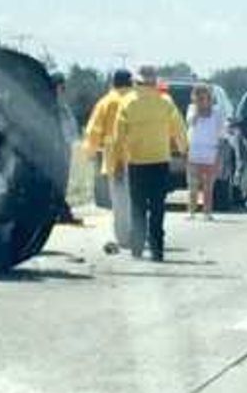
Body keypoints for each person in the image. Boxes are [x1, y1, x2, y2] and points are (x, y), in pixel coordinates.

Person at [109, 65, 188, 261]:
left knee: (137, 207)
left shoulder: (127, 103)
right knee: (157, 207)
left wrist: (117, 161)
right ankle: (157, 249)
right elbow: (179, 129)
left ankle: (137, 247)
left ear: (137, 82)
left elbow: (118, 137)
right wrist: (185, 151)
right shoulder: (165, 102)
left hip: (136, 162)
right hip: (160, 161)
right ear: (155, 83)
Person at [82, 69, 133, 247]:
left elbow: (94, 130)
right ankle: (140, 233)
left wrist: (89, 152)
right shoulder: (137, 101)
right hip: (142, 158)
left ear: (113, 82)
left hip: (115, 158)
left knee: (120, 201)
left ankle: (124, 238)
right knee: (138, 199)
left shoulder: (106, 102)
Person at [185, 84, 225, 221]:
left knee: (208, 186)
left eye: (205, 97)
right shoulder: (191, 109)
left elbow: (221, 135)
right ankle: (191, 211)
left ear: (209, 98)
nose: (202, 100)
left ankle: (207, 212)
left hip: (210, 151)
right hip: (194, 151)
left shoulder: (217, 113)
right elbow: (191, 122)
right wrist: (197, 109)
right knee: (192, 185)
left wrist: (218, 157)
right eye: (199, 97)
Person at [52, 73, 83, 225]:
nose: (63, 89)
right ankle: (62, 212)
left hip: (65, 145)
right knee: (58, 182)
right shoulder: (52, 103)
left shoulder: (61, 103)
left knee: (62, 182)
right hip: (57, 146)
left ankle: (61, 211)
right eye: (61, 85)